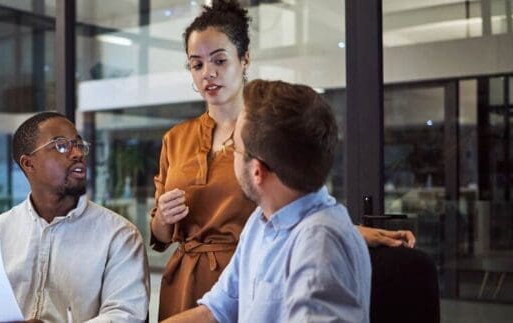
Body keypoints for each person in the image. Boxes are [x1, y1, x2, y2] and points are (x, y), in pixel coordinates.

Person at [149, 0, 414, 320]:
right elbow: (212, 297)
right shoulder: (177, 140)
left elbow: (302, 200)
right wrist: (162, 220)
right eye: (197, 64)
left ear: (244, 60)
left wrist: (346, 231)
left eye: (219, 60)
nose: (209, 73)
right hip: (194, 285)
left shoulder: (269, 132)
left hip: (258, 273)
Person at [164, 79, 371, 322]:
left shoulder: (319, 246)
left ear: (257, 171)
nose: (230, 154)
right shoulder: (261, 222)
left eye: (235, 149)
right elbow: (215, 311)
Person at [0, 112, 149, 322]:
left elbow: (127, 316)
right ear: (28, 164)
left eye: (79, 145)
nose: (77, 153)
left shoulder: (119, 235)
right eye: (61, 145)